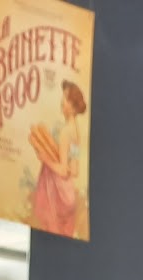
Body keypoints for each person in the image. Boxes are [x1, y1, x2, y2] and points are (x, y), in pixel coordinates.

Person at [31, 80, 86, 237]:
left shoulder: (65, 133)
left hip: (57, 196)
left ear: (74, 107)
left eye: (67, 99)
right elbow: (74, 170)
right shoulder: (75, 131)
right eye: (63, 96)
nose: (62, 101)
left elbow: (62, 170)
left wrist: (45, 159)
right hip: (69, 195)